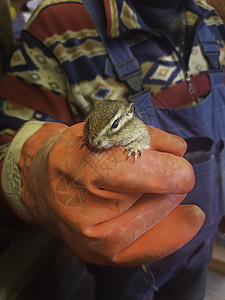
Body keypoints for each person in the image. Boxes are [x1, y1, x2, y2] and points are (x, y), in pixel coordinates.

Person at [0, 0, 224, 299]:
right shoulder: (59, 22)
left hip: (201, 238)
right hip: (123, 256)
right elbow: (6, 143)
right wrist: (36, 168)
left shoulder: (211, 15)